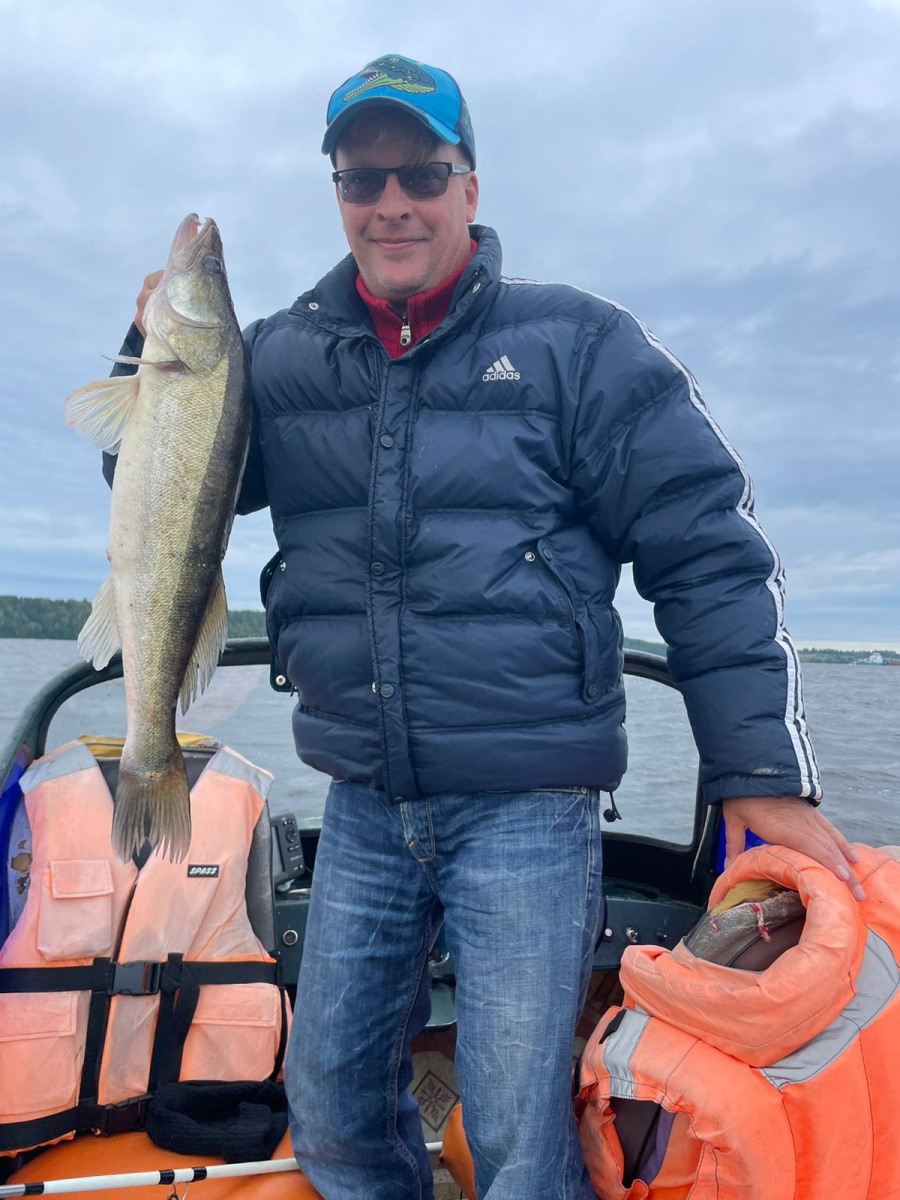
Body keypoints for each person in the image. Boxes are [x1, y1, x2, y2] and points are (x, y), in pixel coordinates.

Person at [130, 54, 862, 1200]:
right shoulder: (276, 355)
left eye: (421, 174)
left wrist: (760, 771)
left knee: (520, 1134)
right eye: (363, 179)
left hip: (530, 805)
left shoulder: (579, 347)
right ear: (337, 196)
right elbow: (158, 487)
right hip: (364, 800)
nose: (392, 203)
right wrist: (146, 362)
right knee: (330, 1112)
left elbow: (707, 549)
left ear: (468, 187)